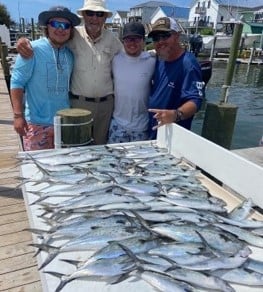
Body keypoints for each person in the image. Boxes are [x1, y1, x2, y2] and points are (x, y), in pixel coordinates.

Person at [16, 0, 123, 145]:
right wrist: (22, 41)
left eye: (99, 14)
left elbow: (130, 55)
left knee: (100, 147)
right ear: (83, 15)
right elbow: (49, 42)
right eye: (90, 13)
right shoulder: (71, 35)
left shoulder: (113, 40)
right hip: (76, 104)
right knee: (77, 146)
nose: (94, 18)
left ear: (105, 18)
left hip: (105, 105)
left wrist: (154, 53)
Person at [10, 6, 80, 151]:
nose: (61, 29)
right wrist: (18, 116)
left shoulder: (70, 55)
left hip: (64, 123)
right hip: (37, 124)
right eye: (56, 24)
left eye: (65, 25)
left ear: (70, 30)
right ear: (47, 27)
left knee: (63, 168)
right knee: (36, 169)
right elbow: (17, 82)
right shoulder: (31, 49)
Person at [147, 17, 204, 139]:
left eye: (165, 36)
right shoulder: (160, 58)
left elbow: (195, 101)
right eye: (156, 38)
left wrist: (175, 115)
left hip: (172, 135)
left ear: (177, 35)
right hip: (153, 131)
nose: (160, 41)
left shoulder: (188, 64)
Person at [107, 22, 156, 144]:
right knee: (113, 161)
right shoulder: (115, 59)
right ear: (123, 41)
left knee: (139, 163)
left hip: (142, 127)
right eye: (128, 39)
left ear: (144, 41)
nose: (132, 43)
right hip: (118, 124)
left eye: (137, 39)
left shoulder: (152, 61)